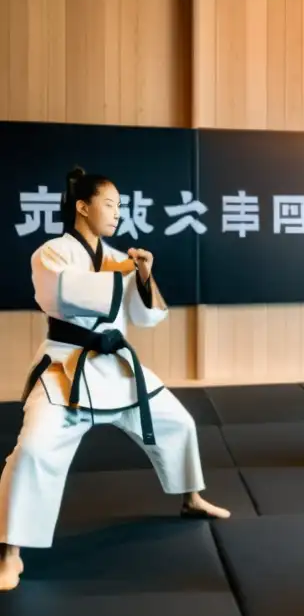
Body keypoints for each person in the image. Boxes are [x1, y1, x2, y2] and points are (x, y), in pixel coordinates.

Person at [0, 167, 230, 592]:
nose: (117, 213)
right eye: (110, 204)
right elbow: (64, 295)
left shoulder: (117, 259)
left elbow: (148, 316)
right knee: (32, 451)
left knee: (178, 424)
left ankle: (190, 497)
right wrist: (123, 268)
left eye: (120, 206)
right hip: (66, 367)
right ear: (82, 207)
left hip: (118, 366)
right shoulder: (51, 254)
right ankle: (9, 552)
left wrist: (142, 276)